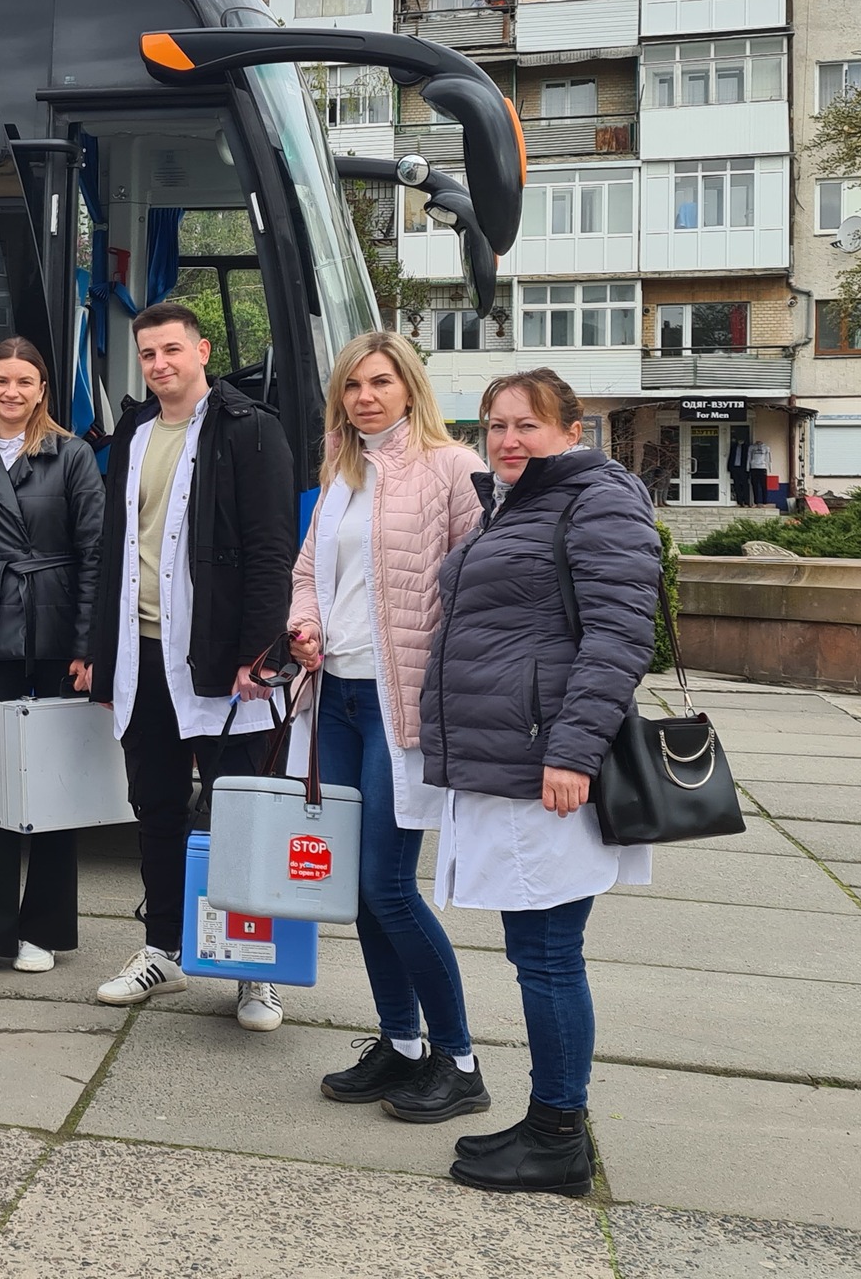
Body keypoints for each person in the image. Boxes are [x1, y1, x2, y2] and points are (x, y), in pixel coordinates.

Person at [424, 367, 660, 1196]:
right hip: (514, 759)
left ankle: (559, 1136)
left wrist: (571, 750)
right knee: (538, 952)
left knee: (551, 955)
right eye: (495, 426)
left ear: (571, 430)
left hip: (547, 767)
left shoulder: (599, 499)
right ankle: (550, 1118)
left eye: (527, 425)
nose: (508, 440)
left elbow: (622, 634)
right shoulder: (517, 504)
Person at [287, 333, 489, 1119]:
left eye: (381, 382)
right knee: (359, 891)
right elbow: (309, 573)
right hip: (332, 695)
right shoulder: (341, 472)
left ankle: (460, 1062)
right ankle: (402, 1046)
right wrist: (305, 626)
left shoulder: (451, 469)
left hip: (396, 704)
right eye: (352, 387)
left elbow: (479, 585)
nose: (365, 396)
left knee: (389, 885)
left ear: (410, 387)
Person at [86, 301, 297, 1028]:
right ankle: (163, 949)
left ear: (202, 350)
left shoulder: (250, 429)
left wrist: (259, 653)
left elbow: (273, 551)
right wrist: (98, 652)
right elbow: (112, 547)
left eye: (171, 350)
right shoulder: (134, 432)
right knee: (157, 809)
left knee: (240, 813)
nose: (159, 365)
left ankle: (251, 971)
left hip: (221, 661)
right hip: (140, 656)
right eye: (147, 354)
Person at [0, 336, 104, 983]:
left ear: (43, 390)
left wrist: (88, 646)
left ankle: (42, 928)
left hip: (59, 631)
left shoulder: (73, 457)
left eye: (24, 382)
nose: (11, 392)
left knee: (53, 783)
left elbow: (95, 553)